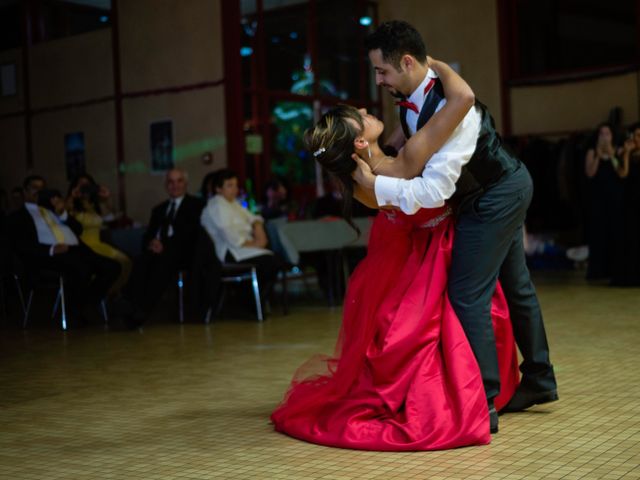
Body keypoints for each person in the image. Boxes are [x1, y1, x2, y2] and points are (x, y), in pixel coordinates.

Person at [271, 58, 520, 450]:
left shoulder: (366, 173)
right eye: (362, 117)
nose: (370, 112)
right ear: (358, 142)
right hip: (434, 246)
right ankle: (481, 397)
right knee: (451, 319)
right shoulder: (388, 170)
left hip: (418, 244)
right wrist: (435, 67)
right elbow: (434, 180)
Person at [352, 21, 558, 426]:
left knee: (466, 295)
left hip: (496, 194)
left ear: (407, 62)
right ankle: (539, 378)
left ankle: (485, 400)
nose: (378, 81)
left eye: (382, 71)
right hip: (493, 191)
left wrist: (378, 188)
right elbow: (407, 139)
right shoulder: (410, 96)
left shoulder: (454, 108)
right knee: (516, 287)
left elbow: (432, 192)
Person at [7, 176, 120, 325]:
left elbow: (78, 229)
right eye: (35, 188)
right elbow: (22, 245)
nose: (39, 192)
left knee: (112, 267)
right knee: (81, 268)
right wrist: (52, 249)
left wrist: (62, 213)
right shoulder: (18, 217)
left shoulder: (53, 209)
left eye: (42, 188)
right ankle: (75, 312)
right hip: (49, 256)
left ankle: (83, 304)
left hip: (77, 249)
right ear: (25, 191)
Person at [124, 169, 204, 324]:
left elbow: (189, 235)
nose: (175, 185)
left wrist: (164, 245)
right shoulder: (159, 209)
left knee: (163, 262)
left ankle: (141, 310)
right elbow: (148, 235)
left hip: (183, 255)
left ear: (185, 184)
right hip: (157, 252)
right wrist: (152, 242)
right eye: (170, 182)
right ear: (166, 186)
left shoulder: (196, 205)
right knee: (142, 260)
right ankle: (130, 303)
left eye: (179, 181)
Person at [200, 169, 282, 310]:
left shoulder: (233, 203)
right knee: (271, 262)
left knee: (275, 259)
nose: (235, 190)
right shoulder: (216, 206)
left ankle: (252, 300)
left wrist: (257, 227)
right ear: (218, 188)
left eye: (236, 185)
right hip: (229, 251)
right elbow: (230, 235)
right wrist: (257, 243)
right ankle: (250, 301)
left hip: (243, 248)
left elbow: (253, 217)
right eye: (230, 185)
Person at [67, 174, 131, 295]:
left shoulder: (95, 204)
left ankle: (110, 295)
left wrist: (107, 197)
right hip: (82, 247)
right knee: (102, 268)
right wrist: (72, 196)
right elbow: (63, 216)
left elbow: (113, 215)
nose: (85, 188)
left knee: (125, 261)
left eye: (88, 185)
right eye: (82, 185)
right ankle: (96, 296)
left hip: (98, 244)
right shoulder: (71, 204)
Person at [584, 123, 624, 281]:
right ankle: (598, 271)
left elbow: (621, 172)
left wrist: (611, 154)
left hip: (615, 198)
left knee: (615, 233)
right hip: (597, 199)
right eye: (601, 133)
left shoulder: (618, 151)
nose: (604, 137)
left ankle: (614, 269)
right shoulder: (592, 152)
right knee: (598, 233)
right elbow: (590, 173)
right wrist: (599, 156)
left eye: (607, 133)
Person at [611, 123, 640, 285]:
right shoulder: (624, 153)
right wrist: (626, 154)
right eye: (635, 135)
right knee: (630, 237)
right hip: (630, 202)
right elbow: (623, 174)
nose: (637, 139)